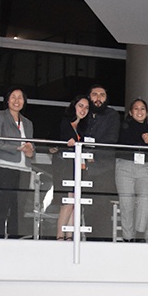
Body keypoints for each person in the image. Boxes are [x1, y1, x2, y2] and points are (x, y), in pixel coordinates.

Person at [0, 86, 34, 238]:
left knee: (19, 208)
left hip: (24, 169)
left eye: (20, 97)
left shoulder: (28, 123)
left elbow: (30, 144)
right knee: (2, 205)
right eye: (13, 97)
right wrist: (18, 147)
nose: (16, 100)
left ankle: (16, 239)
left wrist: (30, 151)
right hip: (5, 166)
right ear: (7, 100)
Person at [115, 98, 148, 242]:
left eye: (142, 109)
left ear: (146, 113)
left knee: (145, 200)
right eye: (136, 109)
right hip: (124, 167)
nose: (139, 111)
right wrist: (142, 140)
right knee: (126, 202)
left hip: (144, 168)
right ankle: (128, 237)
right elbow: (121, 142)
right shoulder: (123, 125)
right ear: (130, 112)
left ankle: (140, 234)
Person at [84, 84, 120, 239]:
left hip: (104, 169)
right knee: (87, 207)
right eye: (94, 94)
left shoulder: (112, 115)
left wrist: (91, 152)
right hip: (84, 169)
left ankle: (101, 242)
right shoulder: (83, 112)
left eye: (102, 95)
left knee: (102, 208)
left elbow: (111, 139)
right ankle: (88, 241)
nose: (98, 98)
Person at [55, 95, 89, 240]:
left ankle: (69, 237)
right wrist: (64, 143)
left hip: (78, 168)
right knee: (68, 203)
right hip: (64, 166)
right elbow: (53, 143)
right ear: (74, 106)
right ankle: (59, 236)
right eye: (80, 106)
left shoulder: (82, 129)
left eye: (86, 107)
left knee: (74, 203)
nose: (83, 110)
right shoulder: (63, 122)